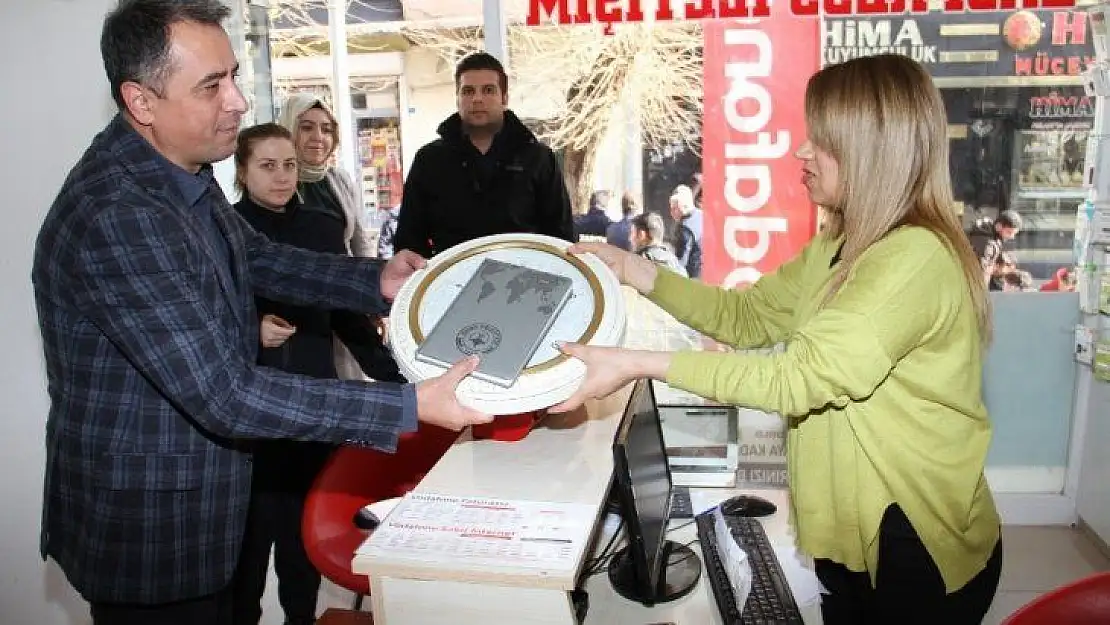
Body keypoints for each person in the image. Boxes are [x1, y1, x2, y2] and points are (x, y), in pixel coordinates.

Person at [31, 2, 491, 624]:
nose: (240, 102)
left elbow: (259, 257)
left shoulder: (174, 173)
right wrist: (409, 406)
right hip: (153, 532)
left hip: (211, 498)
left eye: (233, 76)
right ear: (141, 102)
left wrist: (376, 280)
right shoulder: (120, 213)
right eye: (212, 86)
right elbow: (225, 393)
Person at [551, 54, 1002, 624]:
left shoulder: (910, 259)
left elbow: (800, 378)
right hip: (857, 536)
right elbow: (747, 317)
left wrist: (637, 362)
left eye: (822, 141)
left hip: (912, 543)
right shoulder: (841, 245)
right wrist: (631, 269)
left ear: (872, 151)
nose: (801, 152)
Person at [229, 123, 405, 625]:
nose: (282, 176)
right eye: (267, 165)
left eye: (289, 165)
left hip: (315, 407)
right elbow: (203, 317)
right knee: (246, 560)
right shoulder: (225, 228)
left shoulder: (323, 226)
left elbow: (347, 313)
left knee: (302, 555)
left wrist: (399, 380)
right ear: (242, 171)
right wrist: (250, 327)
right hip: (250, 418)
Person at [392, 52, 575, 258]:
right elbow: (409, 239)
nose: (477, 99)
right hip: (452, 282)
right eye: (468, 91)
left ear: (504, 98)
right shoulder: (430, 161)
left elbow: (562, 237)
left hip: (524, 281)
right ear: (457, 99)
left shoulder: (538, 159)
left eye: (488, 90)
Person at [276, 92, 385, 383]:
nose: (318, 137)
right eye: (306, 127)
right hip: (297, 312)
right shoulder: (277, 183)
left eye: (326, 129)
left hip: (344, 302)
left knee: (350, 383)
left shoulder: (338, 180)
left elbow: (359, 243)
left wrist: (370, 298)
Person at [969, 209, 1022, 284]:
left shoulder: (992, 238)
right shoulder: (987, 243)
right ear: (999, 226)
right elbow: (980, 270)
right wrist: (1000, 270)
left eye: (1014, 234)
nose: (1012, 237)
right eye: (1009, 232)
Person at [631, 212, 686, 277]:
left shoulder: (638, 262)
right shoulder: (674, 261)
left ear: (641, 235)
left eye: (632, 233)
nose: (630, 238)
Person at [669, 184, 703, 279]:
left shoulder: (685, 229)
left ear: (682, 207)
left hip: (694, 276)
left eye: (674, 208)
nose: (671, 212)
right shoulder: (702, 215)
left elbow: (681, 263)